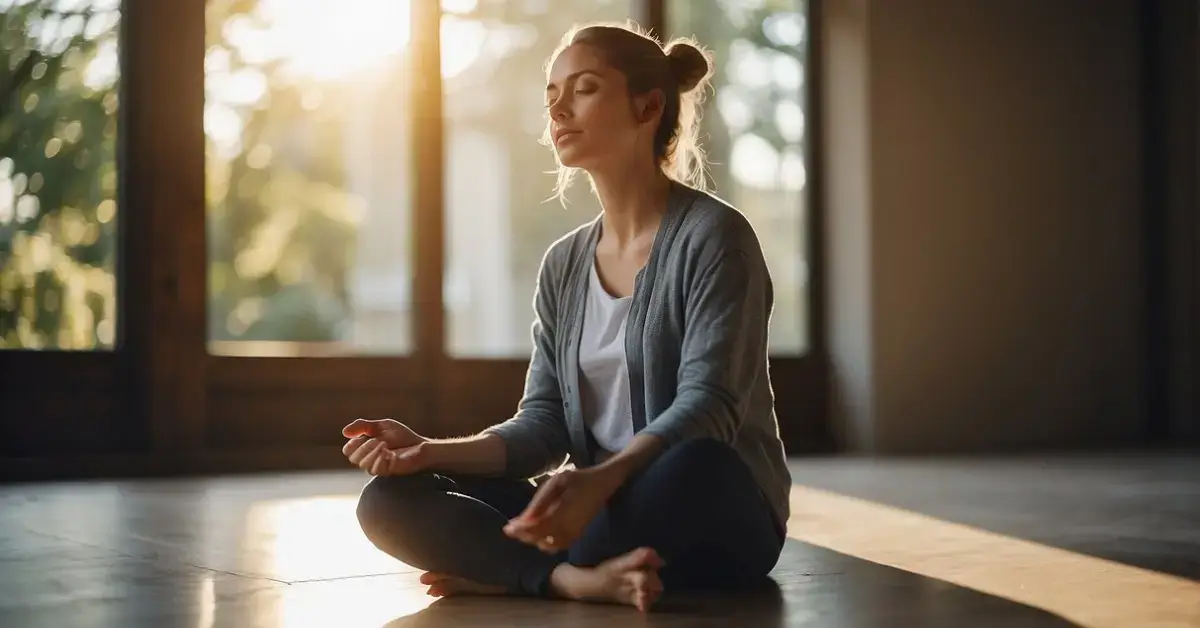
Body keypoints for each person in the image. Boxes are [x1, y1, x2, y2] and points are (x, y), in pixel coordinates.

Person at [341, 21, 792, 613]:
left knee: (697, 466)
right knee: (386, 501)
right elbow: (543, 428)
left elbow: (709, 408)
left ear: (648, 105)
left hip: (711, 507)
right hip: (595, 510)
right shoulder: (565, 263)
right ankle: (576, 579)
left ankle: (522, 573)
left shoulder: (715, 238)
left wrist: (600, 482)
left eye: (583, 88)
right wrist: (426, 452)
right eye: (551, 94)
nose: (558, 108)